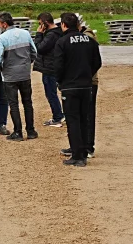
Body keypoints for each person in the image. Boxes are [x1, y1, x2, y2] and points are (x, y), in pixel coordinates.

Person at [57, 12, 103, 166]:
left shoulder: (62, 42)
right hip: (87, 85)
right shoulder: (90, 41)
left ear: (63, 25)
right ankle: (84, 152)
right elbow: (97, 62)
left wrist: (61, 81)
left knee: (73, 120)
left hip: (70, 87)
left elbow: (57, 66)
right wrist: (87, 75)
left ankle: (76, 156)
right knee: (85, 119)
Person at [0, 14, 38, 140]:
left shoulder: (2, 38)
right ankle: (31, 130)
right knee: (28, 102)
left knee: (14, 104)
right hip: (25, 73)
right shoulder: (25, 33)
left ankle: (18, 132)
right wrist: (27, 64)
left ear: (4, 24)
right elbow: (34, 52)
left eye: (0, 24)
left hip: (10, 75)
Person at [34, 11, 65, 127]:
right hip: (55, 66)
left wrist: (39, 34)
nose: (40, 26)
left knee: (51, 93)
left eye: (40, 24)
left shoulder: (51, 35)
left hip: (49, 68)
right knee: (55, 92)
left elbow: (40, 48)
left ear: (45, 23)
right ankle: (60, 114)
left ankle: (58, 117)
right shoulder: (59, 32)